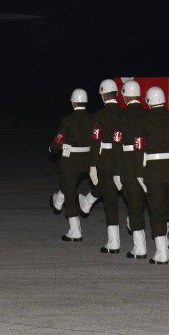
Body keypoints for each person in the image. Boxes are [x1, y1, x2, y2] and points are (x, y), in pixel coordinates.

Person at [134, 86, 169, 264]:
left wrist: (139, 172)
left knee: (156, 210)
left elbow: (139, 146)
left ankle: (161, 251)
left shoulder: (143, 119)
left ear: (148, 101)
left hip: (153, 169)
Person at [46, 88, 93, 241]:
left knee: (70, 192)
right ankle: (58, 199)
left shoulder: (68, 120)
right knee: (69, 186)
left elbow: (59, 140)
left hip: (70, 160)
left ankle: (75, 230)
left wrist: (52, 149)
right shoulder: (93, 119)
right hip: (87, 159)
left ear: (73, 102)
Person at [88, 78, 124, 254]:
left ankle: (114, 241)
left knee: (110, 200)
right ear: (117, 93)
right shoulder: (125, 113)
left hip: (106, 160)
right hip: (126, 159)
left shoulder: (100, 116)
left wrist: (93, 165)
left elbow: (95, 142)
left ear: (102, 95)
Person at [116, 80, 149, 258]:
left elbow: (116, 143)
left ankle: (140, 247)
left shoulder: (121, 117)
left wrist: (115, 169)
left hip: (129, 162)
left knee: (134, 205)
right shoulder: (148, 114)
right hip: (149, 161)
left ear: (125, 95)